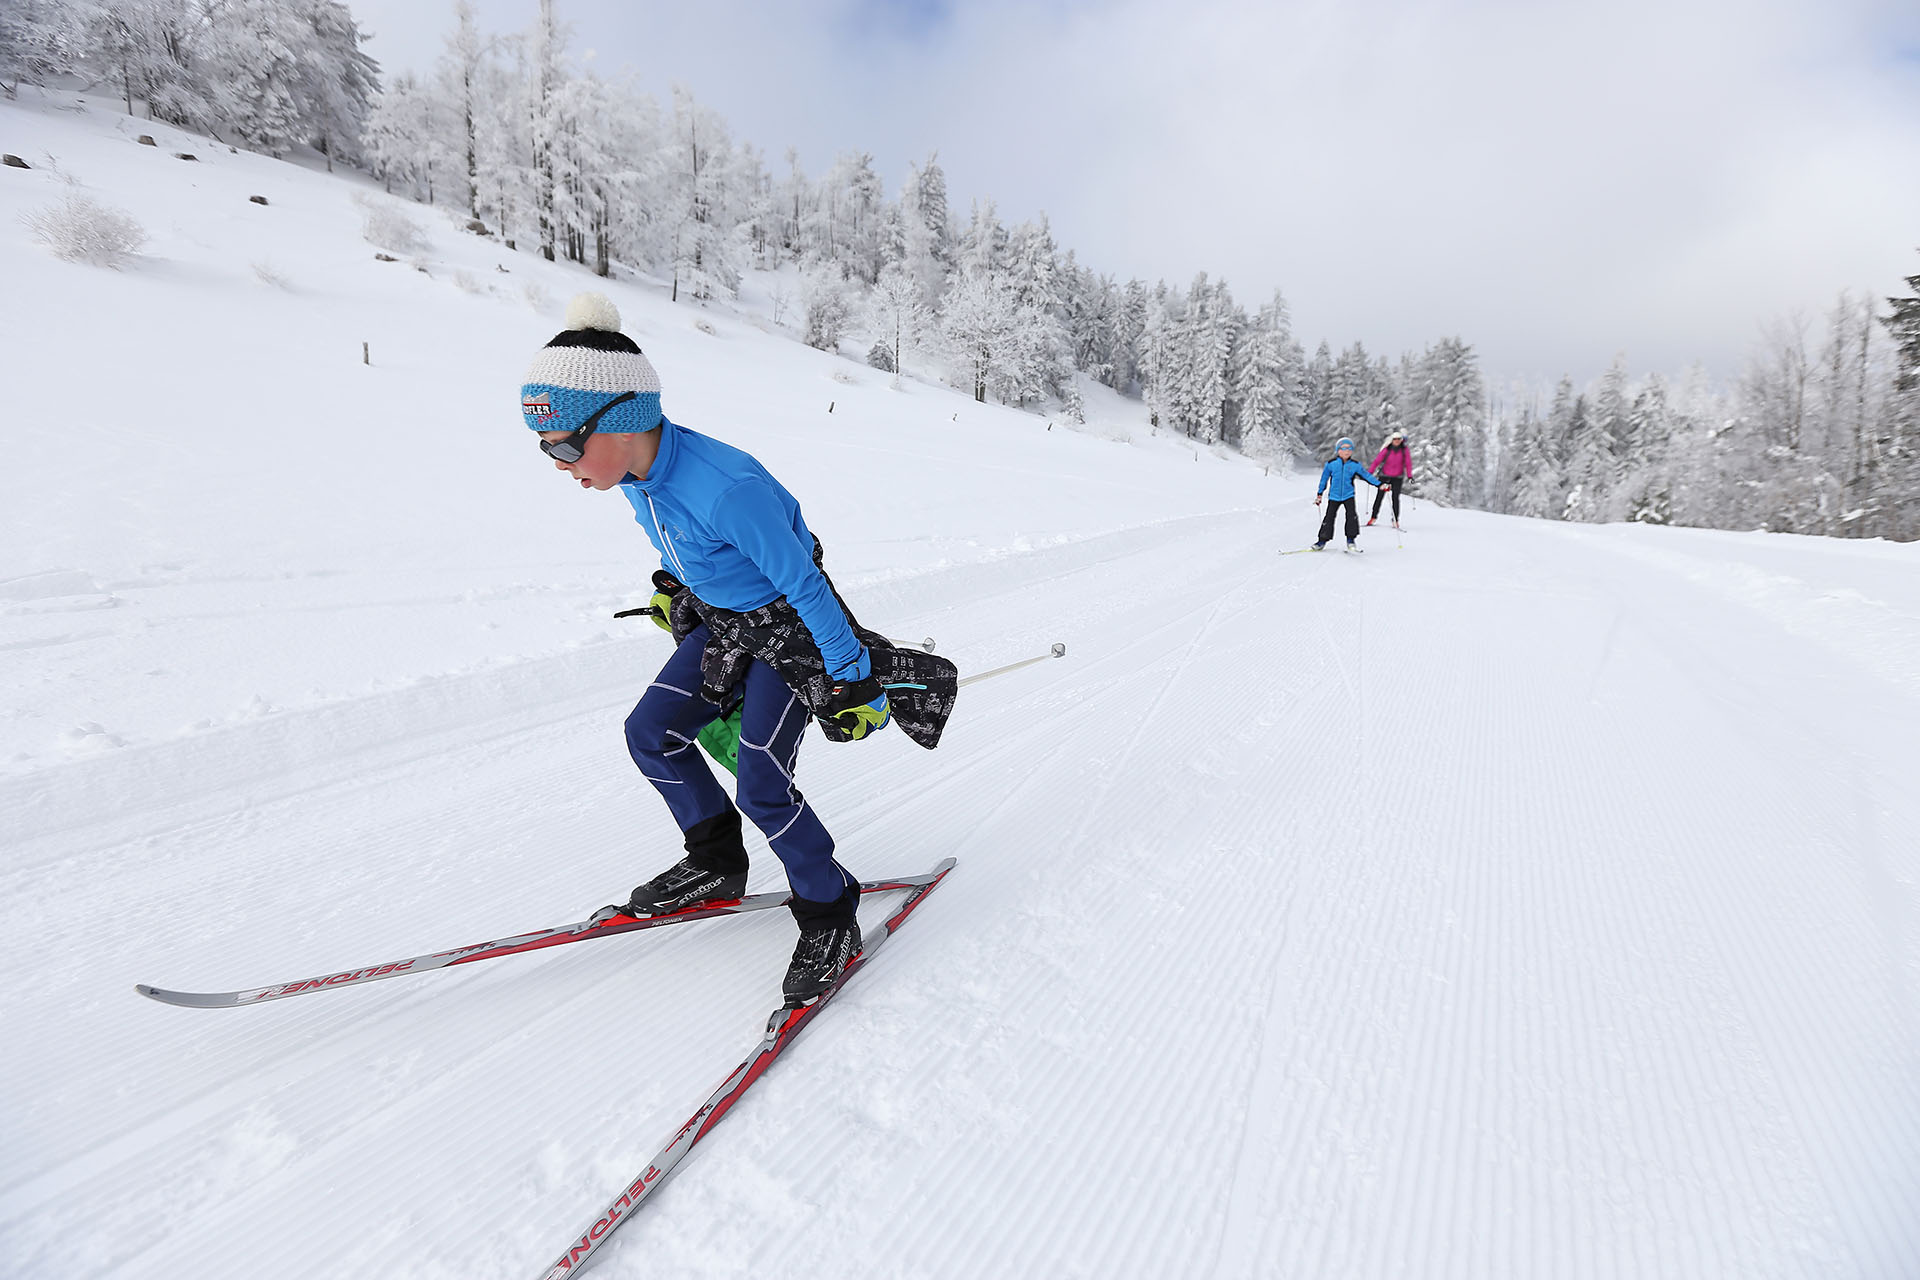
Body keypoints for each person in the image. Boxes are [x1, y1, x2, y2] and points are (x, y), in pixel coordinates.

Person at [522, 292, 958, 1004]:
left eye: (566, 445)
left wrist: (850, 680)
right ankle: (717, 861)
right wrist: (683, 592)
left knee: (760, 780)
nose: (559, 463)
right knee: (650, 733)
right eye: (546, 449)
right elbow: (692, 551)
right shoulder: (636, 477)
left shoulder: (726, 488)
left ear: (623, 422)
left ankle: (827, 909)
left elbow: (807, 586)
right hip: (730, 626)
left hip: (789, 632)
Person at [1313, 437, 1382, 551]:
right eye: (1344, 448)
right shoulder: (1331, 464)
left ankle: (1351, 540)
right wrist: (1320, 494)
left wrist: (1379, 484)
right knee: (1329, 518)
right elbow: (1324, 480)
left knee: (1351, 517)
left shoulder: (1355, 465)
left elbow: (1366, 476)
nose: (1347, 451)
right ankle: (1321, 541)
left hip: (1348, 495)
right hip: (1334, 496)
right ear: (1338, 450)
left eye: (1350, 449)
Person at [1367, 429, 1412, 528]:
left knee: (1395, 498)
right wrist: (1369, 473)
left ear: (1401, 440)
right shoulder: (1387, 449)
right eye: (1395, 439)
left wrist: (1410, 476)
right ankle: (1373, 517)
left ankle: (1395, 520)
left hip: (1397, 477)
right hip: (1385, 476)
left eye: (1398, 439)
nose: (1396, 441)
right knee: (1379, 497)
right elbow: (1377, 461)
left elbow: (1408, 463)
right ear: (1392, 440)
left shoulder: (1404, 450)